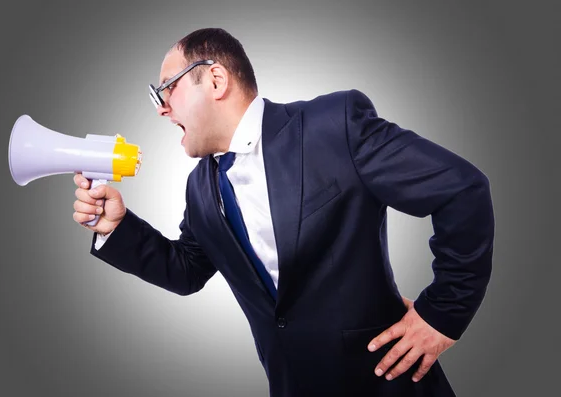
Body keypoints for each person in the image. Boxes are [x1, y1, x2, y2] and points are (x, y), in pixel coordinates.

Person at [72, 28, 494, 396]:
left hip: (387, 384)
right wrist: (116, 227)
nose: (162, 107)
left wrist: (442, 314)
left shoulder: (334, 125)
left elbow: (460, 191)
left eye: (167, 88)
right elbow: (186, 271)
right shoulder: (199, 187)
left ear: (215, 79)